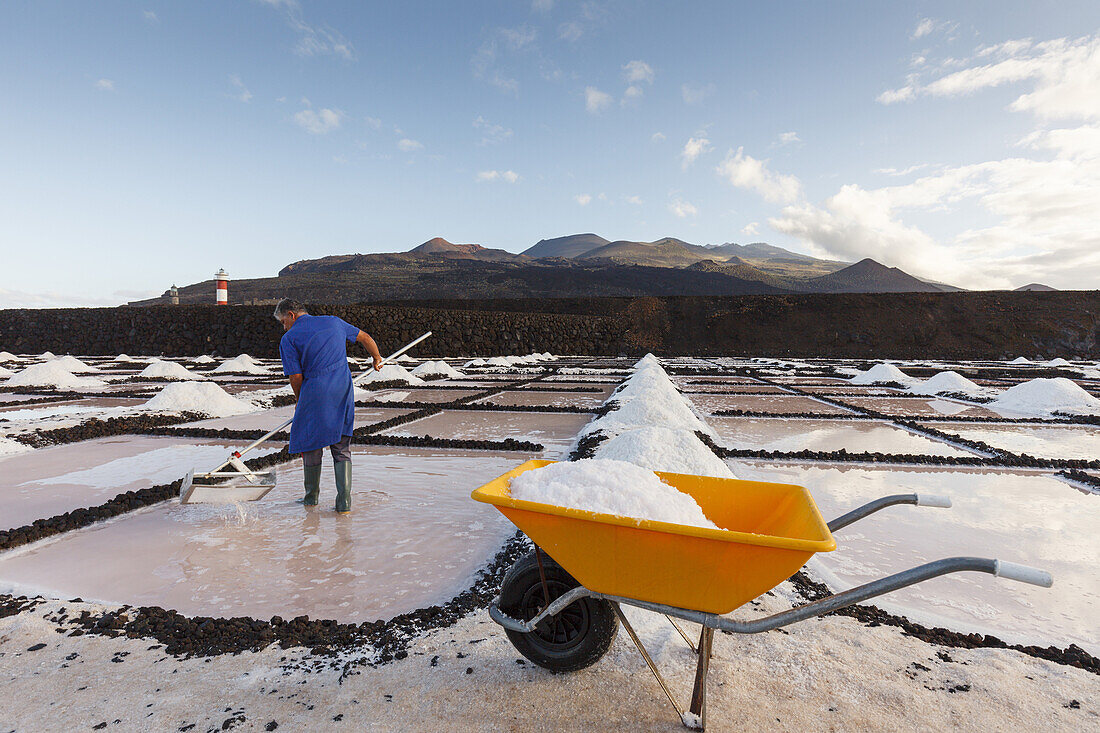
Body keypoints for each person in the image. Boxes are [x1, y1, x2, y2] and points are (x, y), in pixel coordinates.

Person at [274, 298, 383, 513]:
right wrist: (377, 358)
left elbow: (296, 376)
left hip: (314, 391)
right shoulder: (334, 322)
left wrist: (300, 401)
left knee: (311, 444)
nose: (283, 326)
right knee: (341, 446)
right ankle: (344, 503)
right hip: (342, 388)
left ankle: (311, 499)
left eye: (283, 321)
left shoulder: (289, 338)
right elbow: (366, 337)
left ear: (291, 315)